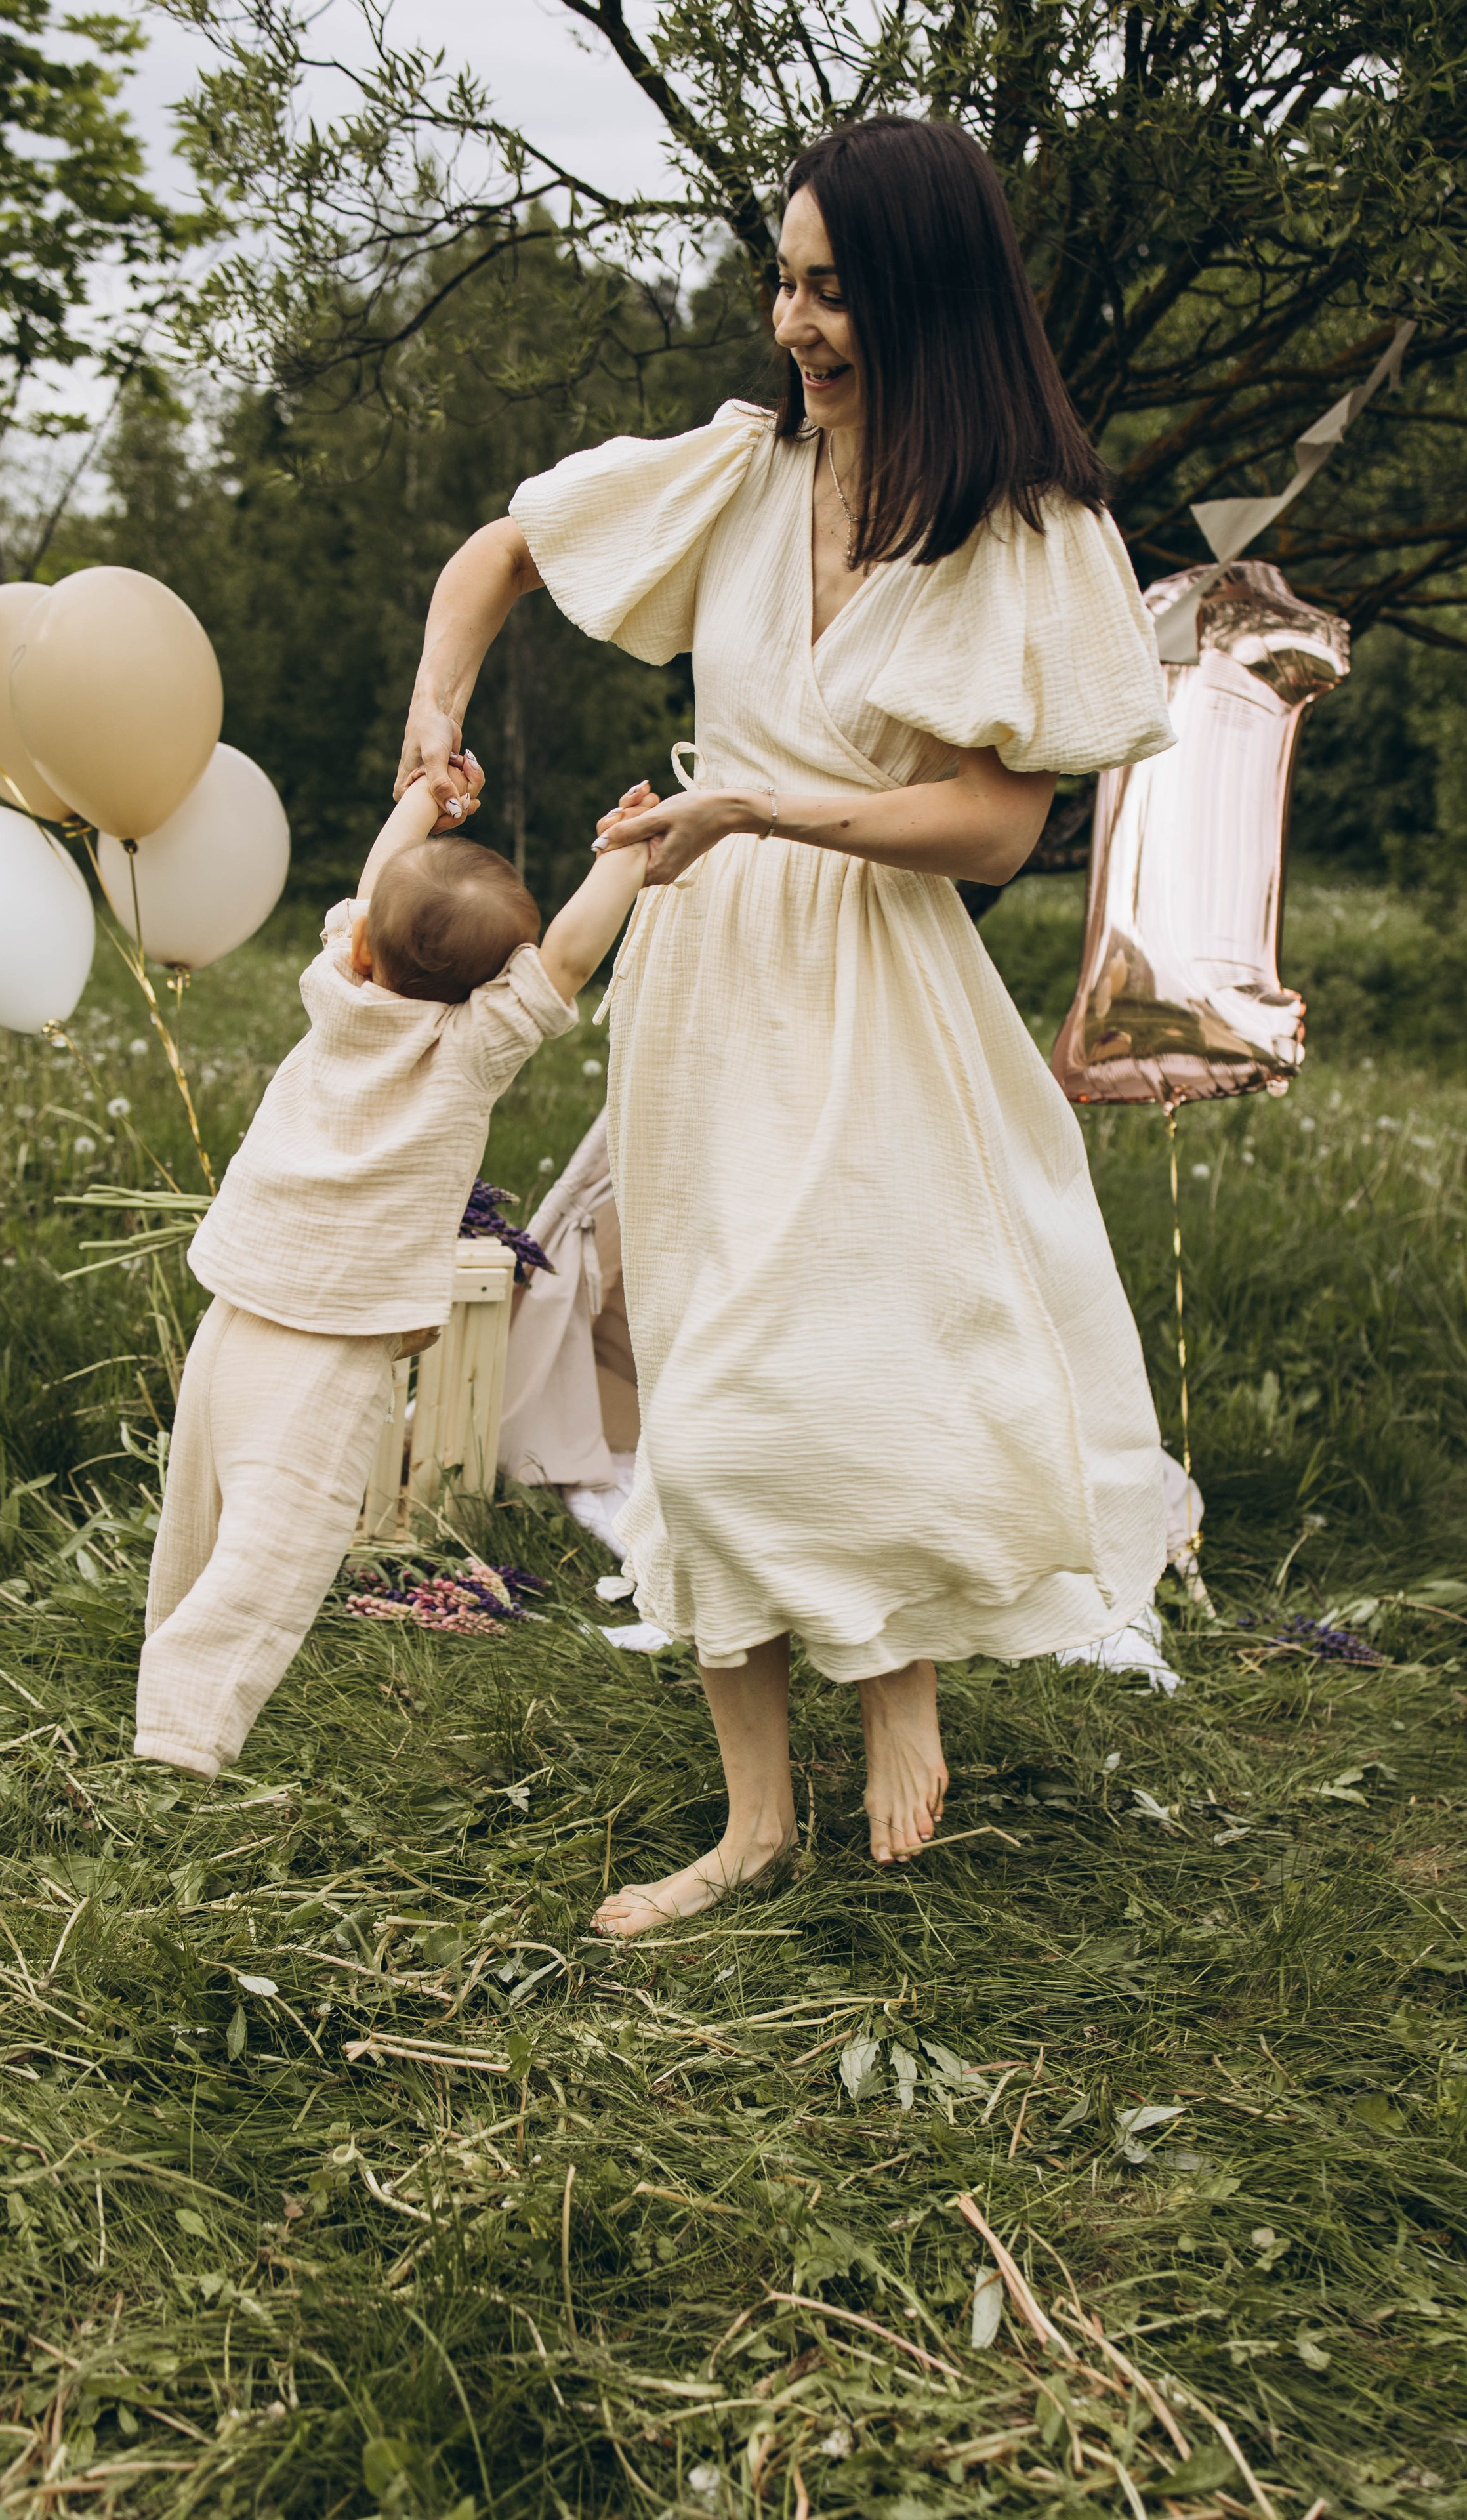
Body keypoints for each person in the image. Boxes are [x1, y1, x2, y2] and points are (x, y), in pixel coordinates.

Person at [396, 115, 1176, 1936]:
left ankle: (892, 1677)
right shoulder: (740, 474)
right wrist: (438, 729)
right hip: (709, 981)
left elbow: (997, 823)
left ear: (920, 294)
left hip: (873, 975)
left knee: (869, 1354)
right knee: (712, 1380)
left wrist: (763, 810)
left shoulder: (1021, 527)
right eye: (786, 280)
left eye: (833, 289)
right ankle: (755, 1824)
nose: (793, 323)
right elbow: (495, 557)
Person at [134, 755, 651, 1780]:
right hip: (338, 1325)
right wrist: (626, 856)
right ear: (489, 980)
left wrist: (425, 801)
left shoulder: (338, 990)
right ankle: (183, 1733)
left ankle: (166, 1660)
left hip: (244, 1290)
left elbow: (379, 890)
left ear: (364, 946)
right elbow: (571, 964)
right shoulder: (470, 1049)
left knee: (204, 1507)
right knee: (287, 1527)